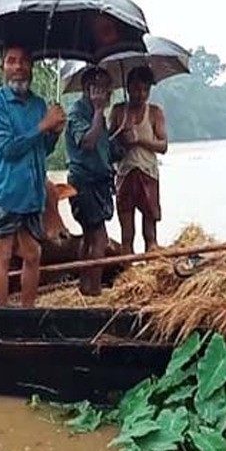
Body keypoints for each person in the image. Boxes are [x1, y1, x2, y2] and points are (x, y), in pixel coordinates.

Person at [0, 45, 66, 308]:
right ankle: (2, 315)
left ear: (31, 67)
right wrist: (43, 125)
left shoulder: (39, 104)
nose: (18, 67)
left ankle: (27, 314)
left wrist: (55, 131)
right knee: (3, 255)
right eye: (11, 61)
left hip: (32, 194)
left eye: (24, 61)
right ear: (2, 68)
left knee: (33, 253)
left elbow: (43, 149)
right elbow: (9, 148)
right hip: (5, 191)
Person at [65, 67, 115, 296]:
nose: (106, 93)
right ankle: (93, 289)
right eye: (101, 88)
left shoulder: (99, 116)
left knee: (89, 235)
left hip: (100, 181)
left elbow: (105, 150)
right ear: (89, 89)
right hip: (84, 181)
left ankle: (85, 285)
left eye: (107, 88)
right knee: (99, 237)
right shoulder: (78, 112)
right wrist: (97, 111)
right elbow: (88, 142)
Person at [109, 66, 169, 253]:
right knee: (127, 235)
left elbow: (163, 145)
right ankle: (129, 275)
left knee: (150, 234)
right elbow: (108, 144)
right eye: (136, 89)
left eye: (145, 90)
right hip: (125, 174)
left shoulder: (154, 112)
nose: (140, 94)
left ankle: (151, 271)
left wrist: (140, 139)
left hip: (148, 174)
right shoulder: (118, 111)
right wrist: (122, 133)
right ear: (128, 89)